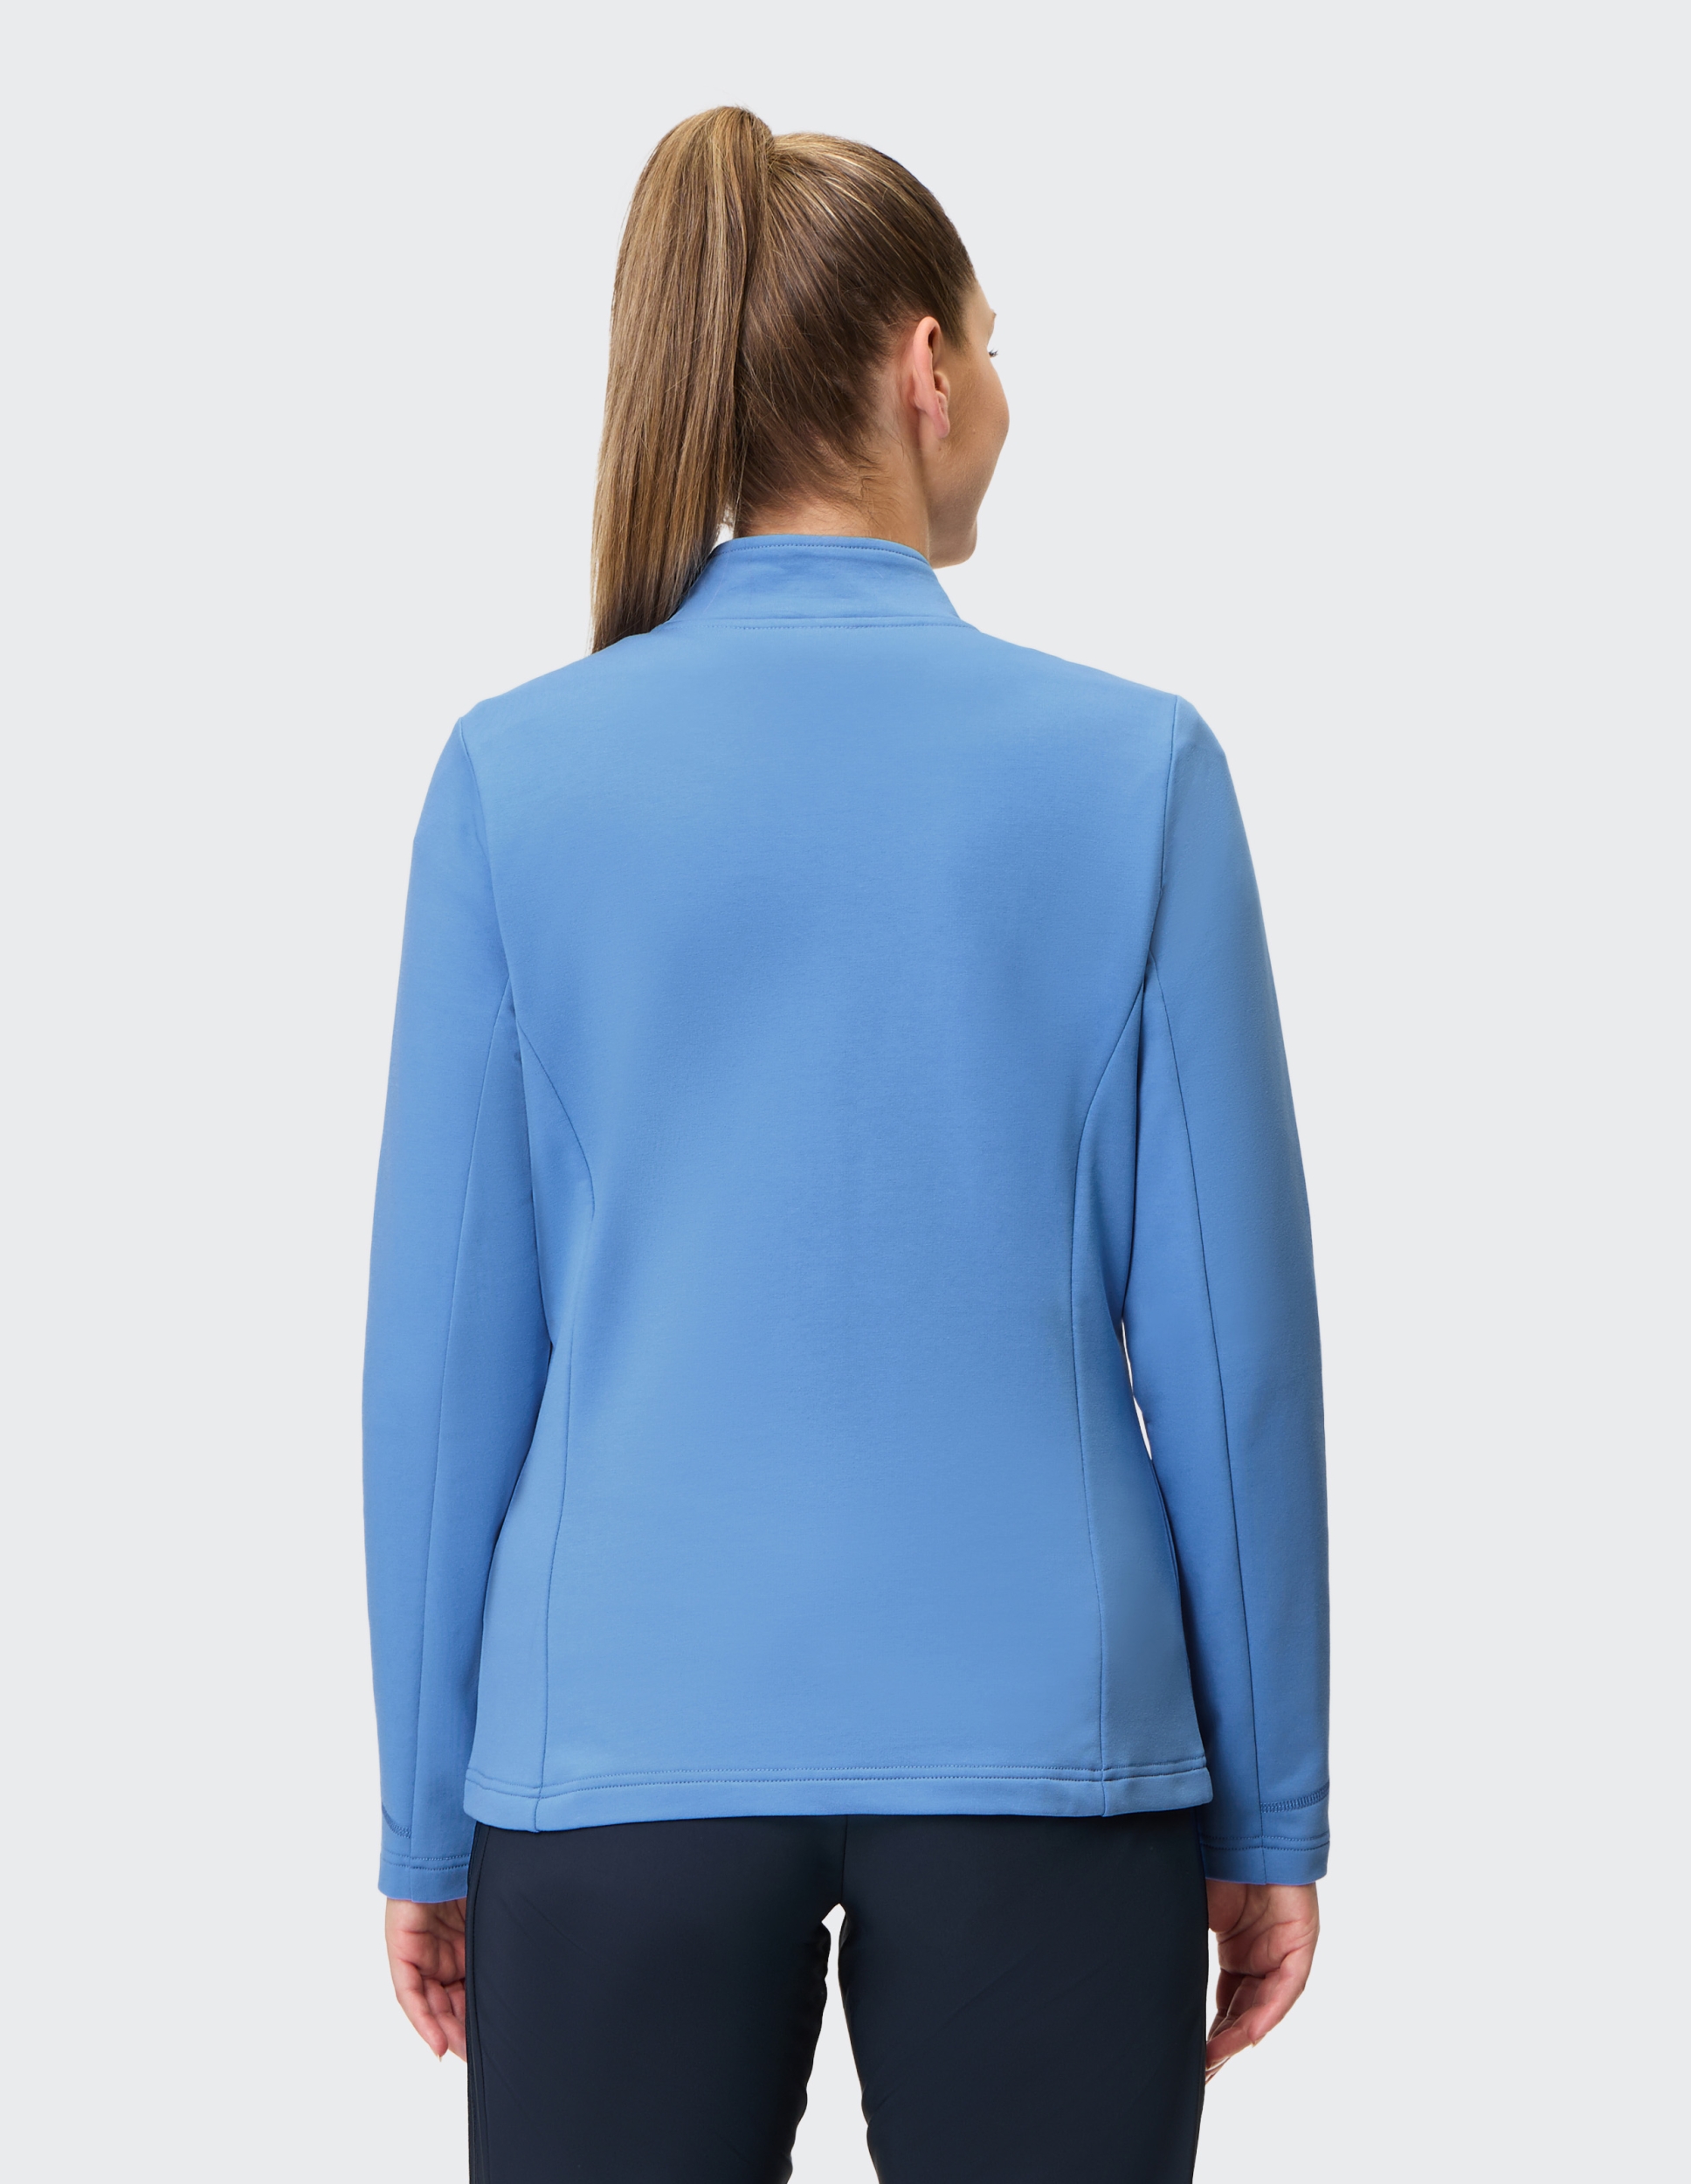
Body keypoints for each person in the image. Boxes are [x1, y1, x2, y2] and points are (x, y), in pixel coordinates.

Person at [363, 106, 1328, 2184]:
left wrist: (428, 1815)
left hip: (613, 1751)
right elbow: (1234, 1356)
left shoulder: (514, 778)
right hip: (1050, 1746)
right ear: (924, 369)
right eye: (996, 343)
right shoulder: (1139, 771)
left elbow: (445, 1365)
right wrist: (1273, 1807)